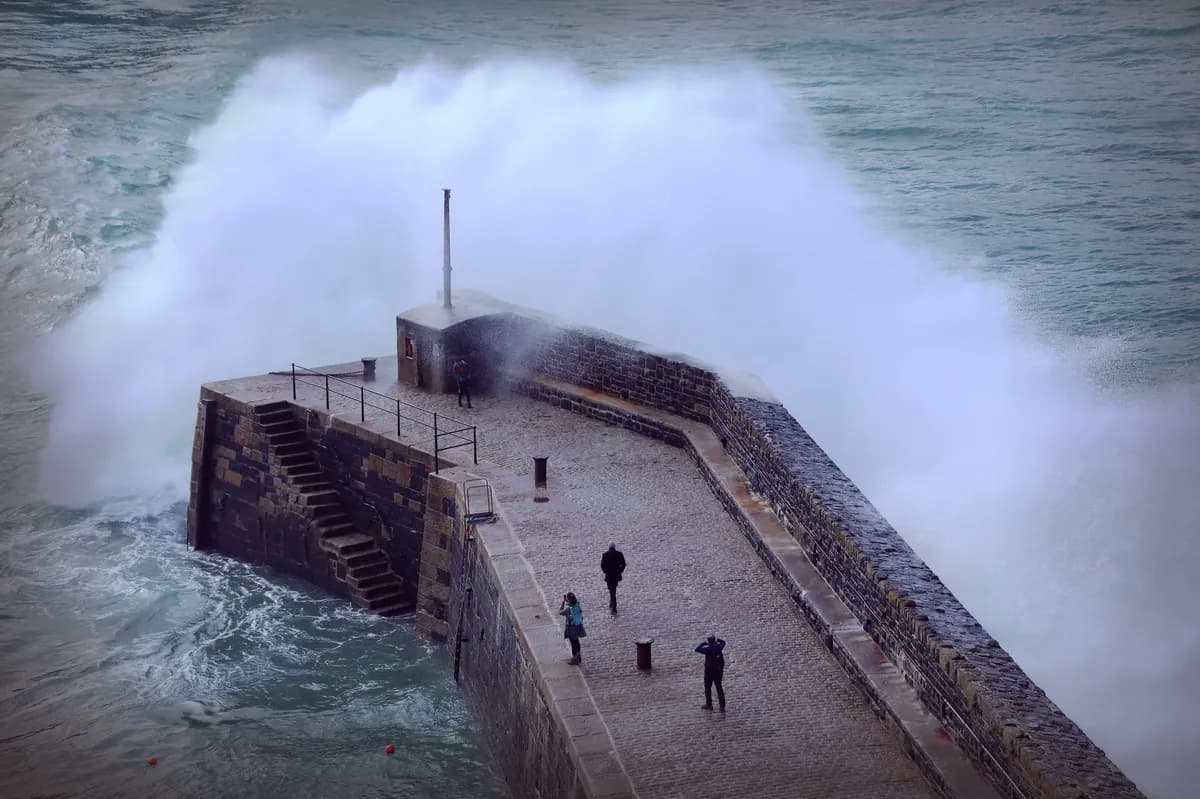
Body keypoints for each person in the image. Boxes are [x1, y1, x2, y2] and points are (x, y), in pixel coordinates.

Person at [695, 635, 726, 710]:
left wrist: (704, 643)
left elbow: (697, 649)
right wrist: (718, 640)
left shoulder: (707, 649)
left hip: (709, 671)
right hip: (718, 670)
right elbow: (723, 642)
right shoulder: (719, 647)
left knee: (708, 687)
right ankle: (722, 705)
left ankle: (709, 704)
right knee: (719, 687)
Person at [559, 592, 586, 665]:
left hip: (571, 628)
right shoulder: (577, 604)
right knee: (577, 642)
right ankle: (578, 656)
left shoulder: (568, 609)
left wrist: (563, 603)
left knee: (573, 644)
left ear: (569, 600)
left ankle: (575, 659)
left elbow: (560, 612)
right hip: (578, 626)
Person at [600, 541, 626, 613]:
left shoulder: (605, 555)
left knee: (611, 590)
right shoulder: (619, 554)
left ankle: (613, 605)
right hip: (616, 576)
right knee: (613, 589)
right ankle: (612, 603)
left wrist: (605, 571)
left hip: (609, 576)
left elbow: (602, 565)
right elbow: (623, 564)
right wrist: (620, 571)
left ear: (609, 547)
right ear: (614, 547)